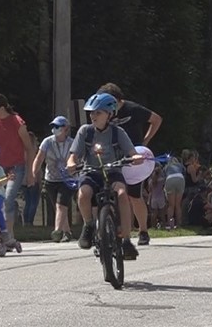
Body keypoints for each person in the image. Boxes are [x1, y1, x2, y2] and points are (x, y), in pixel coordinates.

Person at [65, 92, 143, 259]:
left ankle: (127, 240)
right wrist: (71, 163)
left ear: (109, 114)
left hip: (113, 172)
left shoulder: (118, 132)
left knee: (122, 194)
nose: (93, 116)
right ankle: (88, 225)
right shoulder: (85, 131)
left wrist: (136, 157)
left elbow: (132, 152)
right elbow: (73, 155)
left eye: (98, 112)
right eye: (91, 113)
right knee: (83, 194)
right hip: (90, 172)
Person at [97, 83, 162, 246]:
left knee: (134, 195)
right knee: (113, 192)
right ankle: (115, 228)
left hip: (133, 158)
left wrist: (145, 141)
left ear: (117, 100)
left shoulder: (133, 109)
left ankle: (143, 230)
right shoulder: (104, 113)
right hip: (112, 156)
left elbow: (156, 119)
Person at [0, 94, 35, 249]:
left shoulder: (17, 122)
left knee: (7, 198)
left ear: (2, 108)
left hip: (15, 167)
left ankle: (8, 235)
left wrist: (30, 172)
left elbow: (29, 148)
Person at [32, 115, 75, 242]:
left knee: (61, 204)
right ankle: (67, 232)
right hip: (51, 179)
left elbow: (77, 158)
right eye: (54, 126)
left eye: (58, 126)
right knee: (59, 206)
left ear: (66, 129)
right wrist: (34, 173)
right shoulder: (47, 142)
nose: (55, 129)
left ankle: (57, 231)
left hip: (67, 179)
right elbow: (39, 158)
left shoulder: (72, 143)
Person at [21, 131, 42, 226]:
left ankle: (26, 221)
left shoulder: (21, 153)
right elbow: (37, 169)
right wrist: (39, 180)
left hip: (23, 180)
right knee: (33, 202)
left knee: (28, 202)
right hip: (33, 179)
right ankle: (30, 221)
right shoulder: (34, 153)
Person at [162, 155, 186, 230]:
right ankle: (179, 224)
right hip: (180, 178)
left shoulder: (166, 167)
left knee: (171, 205)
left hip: (170, 179)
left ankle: (170, 224)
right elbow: (184, 172)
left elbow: (164, 177)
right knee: (178, 204)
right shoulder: (180, 165)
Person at [147, 164, 168, 229]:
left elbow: (149, 190)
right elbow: (164, 188)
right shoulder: (162, 180)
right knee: (162, 213)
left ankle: (153, 226)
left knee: (154, 213)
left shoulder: (151, 181)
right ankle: (163, 225)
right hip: (161, 197)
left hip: (153, 198)